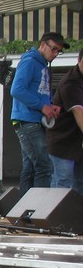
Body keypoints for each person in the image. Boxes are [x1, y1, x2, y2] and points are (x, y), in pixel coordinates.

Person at [10, 32, 69, 198]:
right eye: (54, 49)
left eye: (59, 51)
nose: (56, 54)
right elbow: (16, 89)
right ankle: (36, 210)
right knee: (44, 165)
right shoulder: (29, 61)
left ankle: (25, 212)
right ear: (43, 44)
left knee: (30, 167)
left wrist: (49, 106)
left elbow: (36, 92)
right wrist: (43, 107)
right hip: (27, 120)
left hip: (32, 120)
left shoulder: (41, 64)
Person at [48, 48, 83, 195]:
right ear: (80, 60)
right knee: (63, 183)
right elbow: (79, 112)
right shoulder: (71, 82)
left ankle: (75, 217)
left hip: (76, 144)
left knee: (79, 184)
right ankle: (54, 217)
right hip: (62, 142)